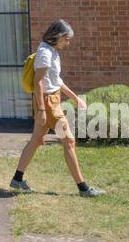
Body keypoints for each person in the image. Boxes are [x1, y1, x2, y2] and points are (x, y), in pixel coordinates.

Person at [10, 19, 104, 197]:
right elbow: (38, 83)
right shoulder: (45, 53)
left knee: (36, 140)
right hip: (48, 103)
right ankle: (83, 188)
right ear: (58, 36)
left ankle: (17, 179)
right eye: (67, 39)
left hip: (51, 100)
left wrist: (75, 98)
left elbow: (55, 81)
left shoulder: (52, 51)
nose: (68, 43)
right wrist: (42, 110)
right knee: (69, 141)